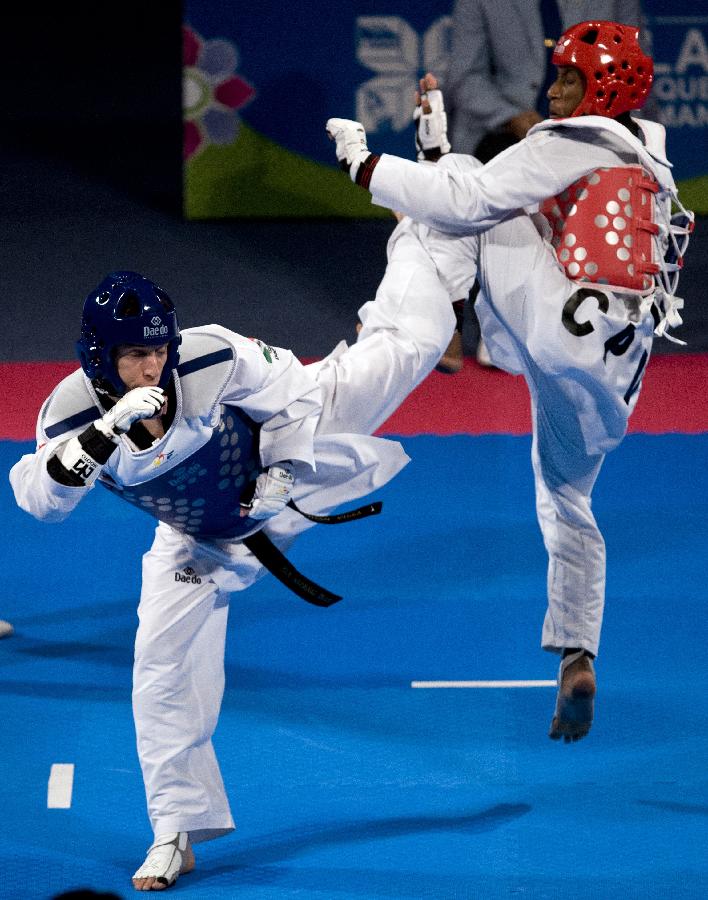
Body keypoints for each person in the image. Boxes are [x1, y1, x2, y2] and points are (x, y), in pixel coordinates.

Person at [10, 265, 456, 890]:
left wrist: (278, 471)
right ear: (99, 356)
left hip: (298, 458)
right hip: (202, 538)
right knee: (159, 669)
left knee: (406, 349)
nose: (153, 367)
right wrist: (105, 434)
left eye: (159, 349)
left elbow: (293, 391)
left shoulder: (210, 354)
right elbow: (38, 500)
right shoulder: (70, 414)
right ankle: (175, 834)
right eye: (136, 354)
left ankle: (438, 256)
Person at [326, 20, 693, 744]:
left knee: (456, 211)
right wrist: (438, 156)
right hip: (616, 378)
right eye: (555, 76)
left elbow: (469, 201)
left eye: (570, 81)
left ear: (604, 92)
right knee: (567, 497)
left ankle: (411, 329)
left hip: (552, 328)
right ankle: (578, 654)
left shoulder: (566, 142)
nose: (553, 92)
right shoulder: (650, 151)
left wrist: (370, 166)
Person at [444, 1, 651, 368]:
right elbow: (466, 78)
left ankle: (597, 319)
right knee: (462, 181)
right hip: (505, 127)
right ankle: (477, 317)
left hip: (595, 124)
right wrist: (516, 119)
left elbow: (633, 67)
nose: (555, 91)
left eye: (564, 82)